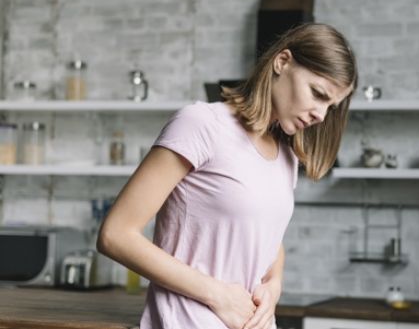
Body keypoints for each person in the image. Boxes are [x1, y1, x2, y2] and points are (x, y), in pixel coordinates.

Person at [97, 23, 358, 329]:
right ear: (282, 62)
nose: (321, 115)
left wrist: (273, 287)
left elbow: (267, 241)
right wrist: (218, 295)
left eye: (331, 106)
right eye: (317, 94)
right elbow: (115, 235)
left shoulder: (286, 155)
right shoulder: (201, 125)